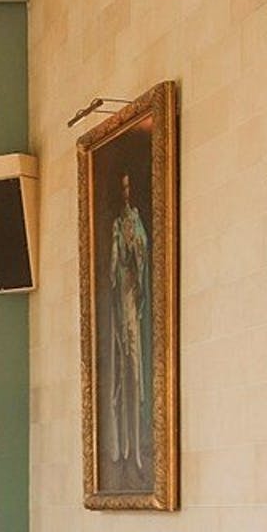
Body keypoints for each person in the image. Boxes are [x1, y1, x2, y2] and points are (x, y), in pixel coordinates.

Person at [106, 172, 151, 481]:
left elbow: (141, 258)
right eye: (121, 187)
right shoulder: (116, 225)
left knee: (134, 368)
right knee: (123, 367)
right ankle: (123, 445)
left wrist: (136, 253)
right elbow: (113, 267)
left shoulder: (135, 222)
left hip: (133, 294)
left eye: (128, 187)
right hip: (122, 294)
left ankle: (136, 448)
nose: (125, 192)